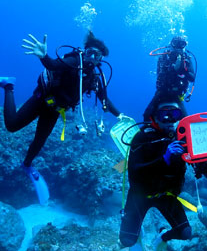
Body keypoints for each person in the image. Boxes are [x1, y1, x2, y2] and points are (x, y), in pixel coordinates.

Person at [0, 31, 123, 181]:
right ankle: (9, 87)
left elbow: (105, 99)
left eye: (96, 55)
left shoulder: (94, 79)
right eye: (90, 52)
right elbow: (52, 65)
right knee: (12, 126)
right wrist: (43, 55)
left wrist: (119, 115)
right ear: (85, 52)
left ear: (101, 59)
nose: (92, 58)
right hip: (42, 100)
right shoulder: (73, 62)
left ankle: (27, 165)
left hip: (55, 110)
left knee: (40, 139)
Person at [119, 97, 192, 249]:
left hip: (166, 195)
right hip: (140, 196)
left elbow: (200, 171)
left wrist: (205, 159)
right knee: (126, 240)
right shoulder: (142, 137)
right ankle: (139, 234)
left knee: (185, 233)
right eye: (164, 115)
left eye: (175, 114)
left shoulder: (184, 139)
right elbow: (135, 173)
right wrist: (164, 158)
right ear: (154, 118)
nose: (170, 119)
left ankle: (162, 235)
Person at [143, 36, 195, 121]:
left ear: (184, 46)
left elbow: (192, 78)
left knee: (185, 120)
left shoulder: (187, 59)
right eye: (175, 44)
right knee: (147, 115)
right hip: (162, 93)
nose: (178, 47)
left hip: (177, 95)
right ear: (171, 45)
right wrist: (173, 69)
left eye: (181, 44)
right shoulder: (163, 57)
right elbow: (160, 76)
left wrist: (183, 70)